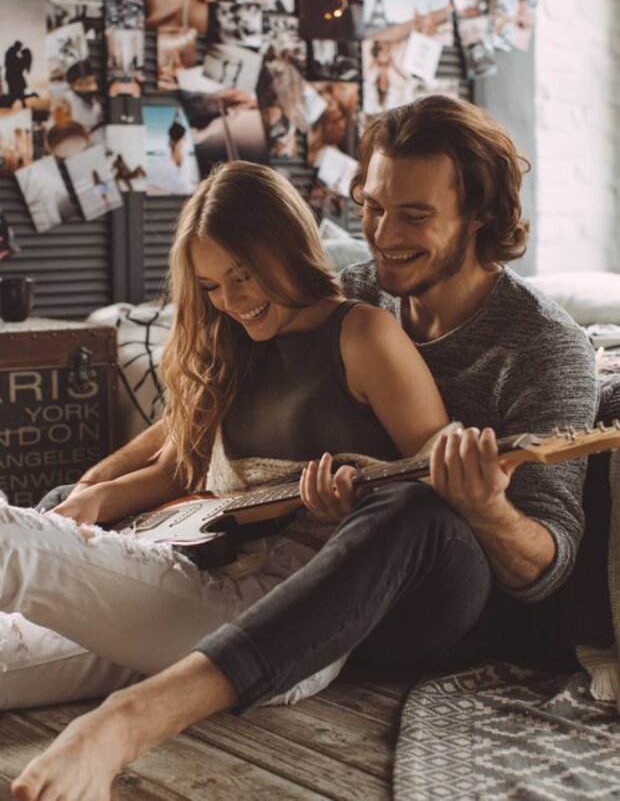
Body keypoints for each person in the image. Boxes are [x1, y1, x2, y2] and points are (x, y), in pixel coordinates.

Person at [13, 96, 598, 801]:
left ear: (479, 214)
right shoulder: (358, 292)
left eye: (413, 216)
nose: (383, 235)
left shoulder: (546, 349)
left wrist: (485, 507)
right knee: (66, 513)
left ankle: (136, 719)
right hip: (312, 574)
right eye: (373, 207)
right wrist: (95, 488)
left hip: (439, 601)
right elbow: (199, 416)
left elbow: (546, 569)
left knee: (416, 510)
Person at [7, 159, 449, 800]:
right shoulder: (231, 345)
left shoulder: (362, 334)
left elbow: (435, 483)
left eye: (243, 275)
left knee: (12, 540)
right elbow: (174, 468)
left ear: (287, 244)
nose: (233, 301)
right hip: (189, 582)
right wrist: (94, 497)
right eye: (212, 286)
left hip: (285, 625)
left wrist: (350, 510)